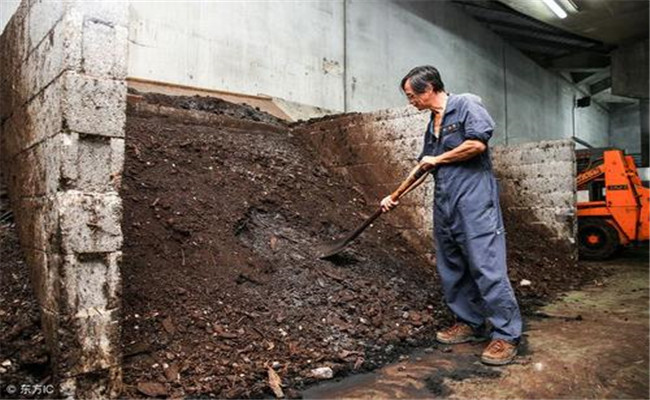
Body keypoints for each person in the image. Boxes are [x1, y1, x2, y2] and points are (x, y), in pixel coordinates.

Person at [380, 65, 522, 366]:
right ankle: (469, 322)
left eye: (411, 96)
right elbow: (423, 166)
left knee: (487, 267)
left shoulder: (467, 104)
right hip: (445, 203)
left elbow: (476, 144)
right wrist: (394, 196)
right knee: (451, 266)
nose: (411, 102)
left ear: (429, 88)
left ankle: (506, 335)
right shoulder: (432, 123)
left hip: (474, 202)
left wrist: (439, 158)